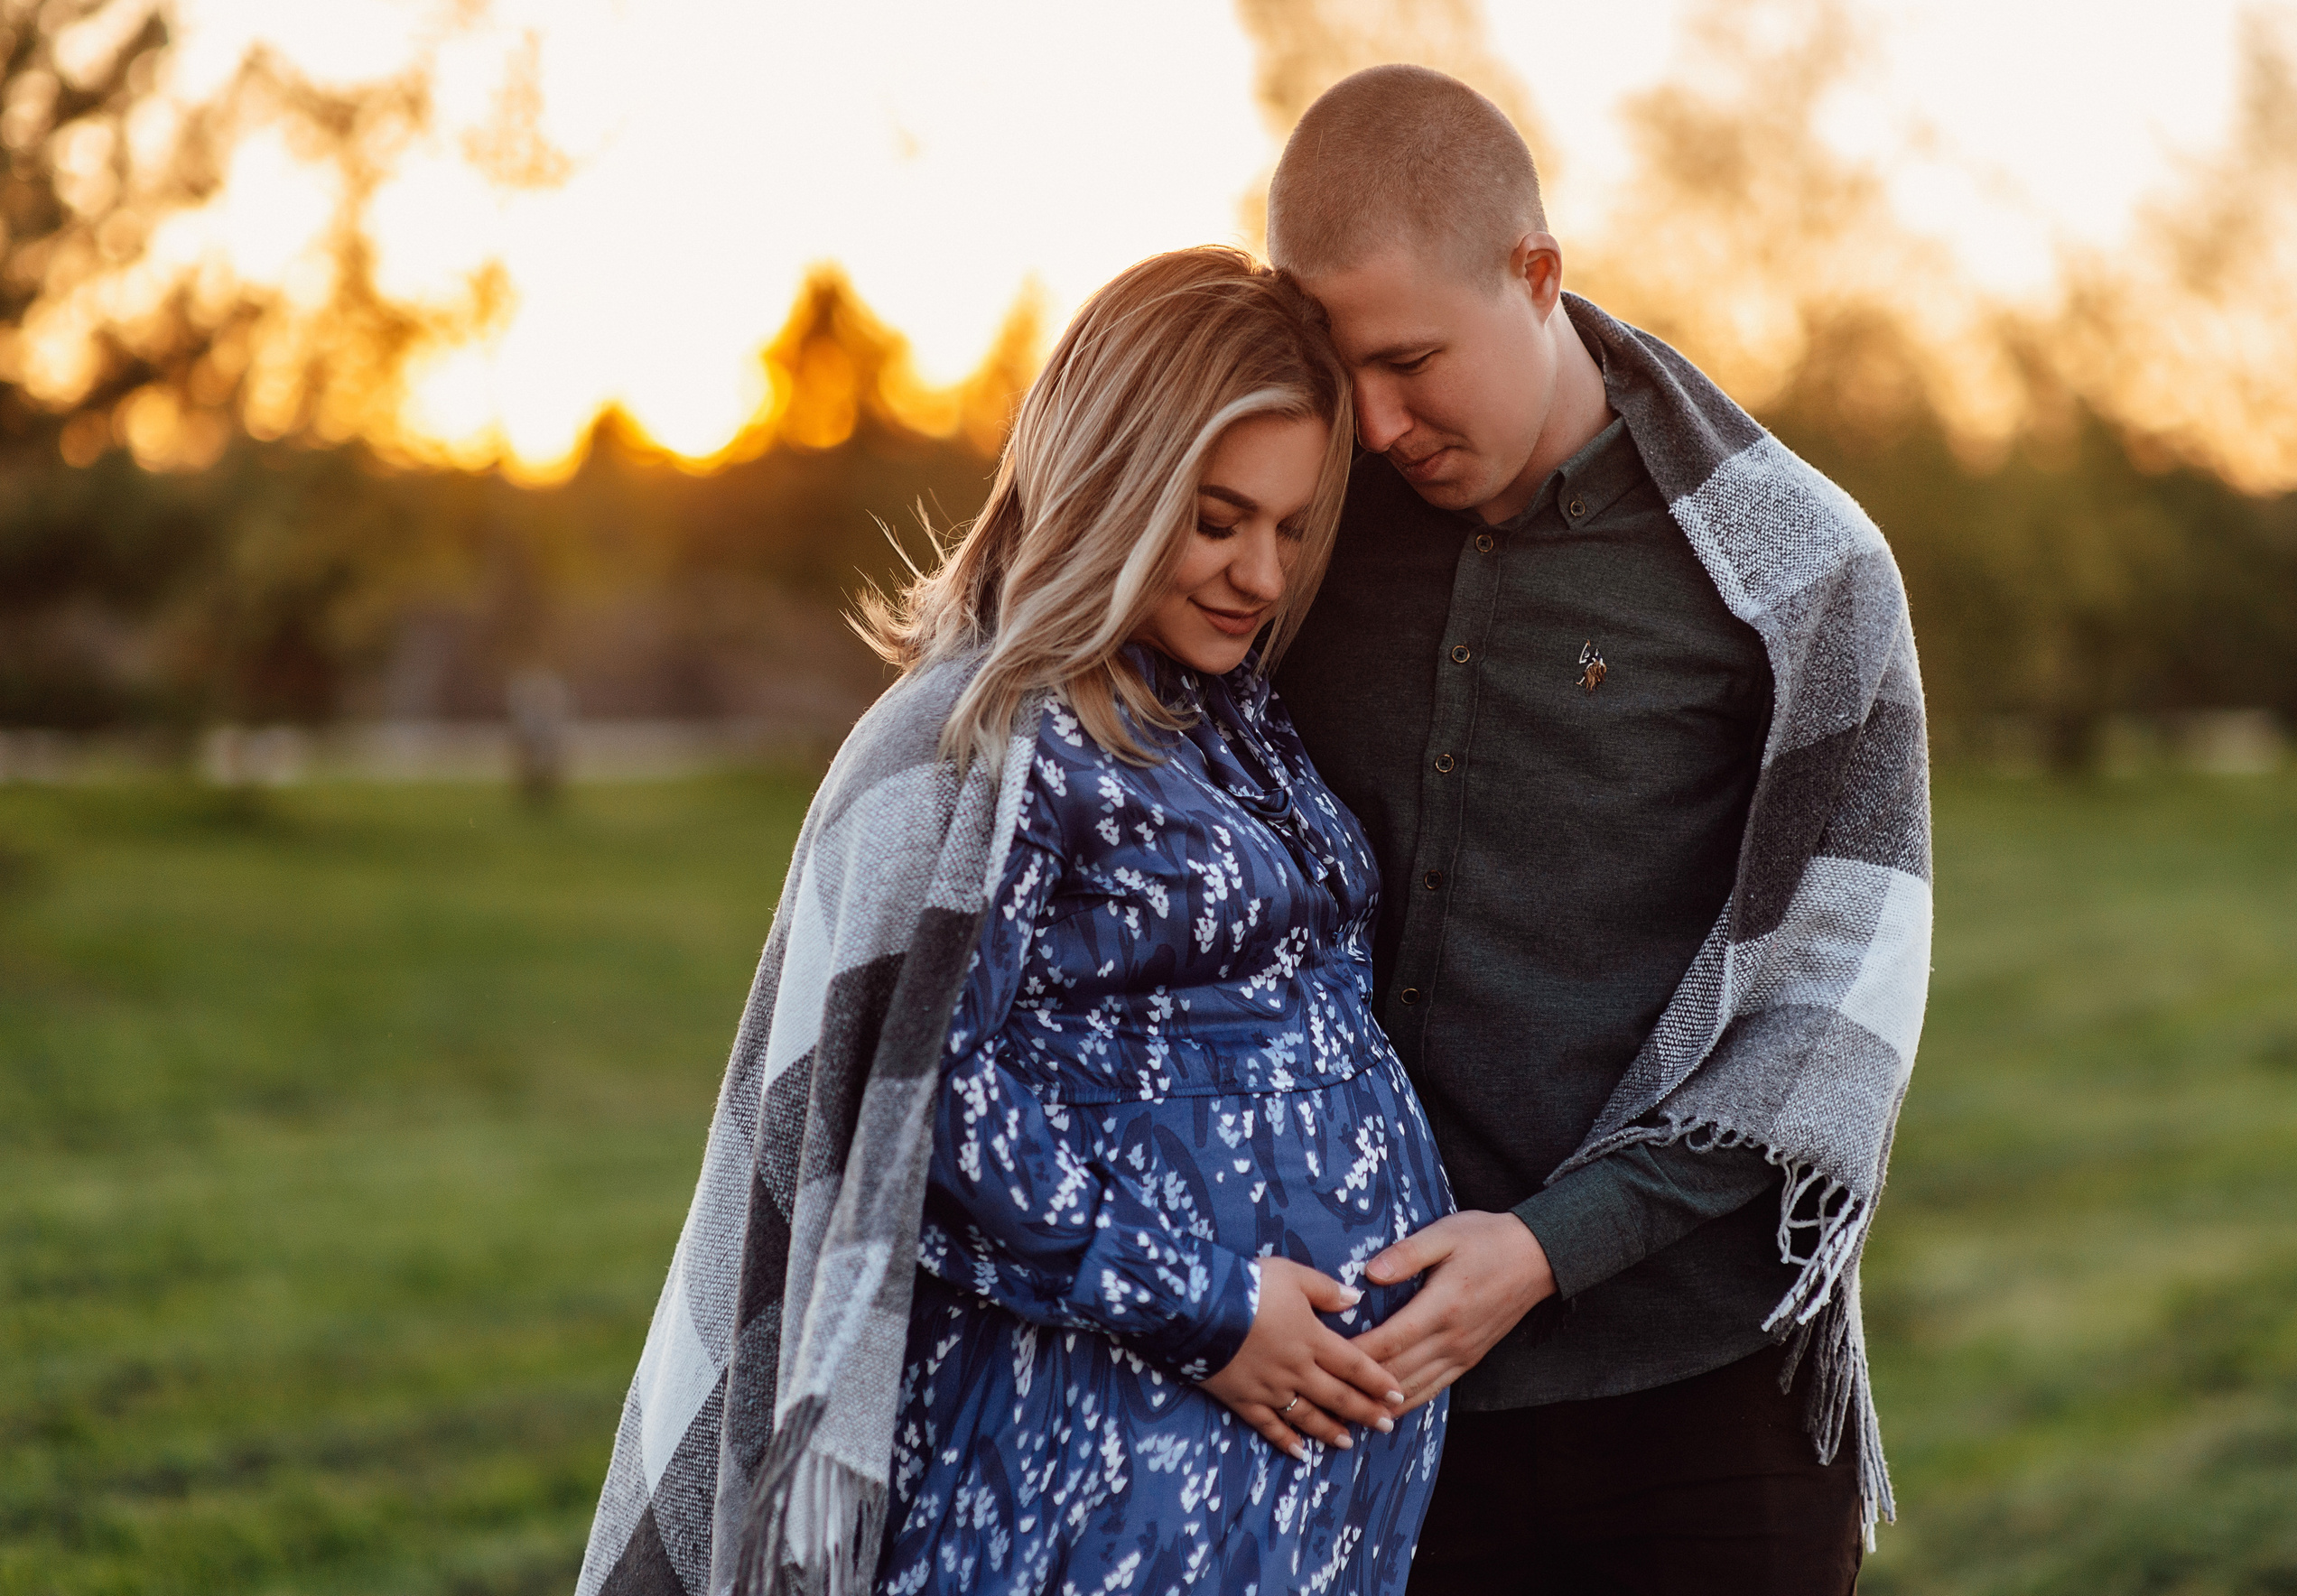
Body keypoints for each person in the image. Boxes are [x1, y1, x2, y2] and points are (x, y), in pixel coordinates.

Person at [575, 246, 1453, 1596]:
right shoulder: (980, 737)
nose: (1262, 575)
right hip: (1088, 1455)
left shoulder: (1224, 712)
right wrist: (1214, 1311)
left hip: (1287, 1489)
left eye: (1290, 526)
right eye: (1218, 519)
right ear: (1109, 480)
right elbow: (920, 1103)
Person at [1264, 66, 1935, 1594]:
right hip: (1370, 1397)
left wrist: (1552, 1243)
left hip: (1699, 1402)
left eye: (1412, 359)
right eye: (1338, 369)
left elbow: (1825, 1013)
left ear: (1538, 274)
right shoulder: (1290, 531)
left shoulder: (1802, 573)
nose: (1373, 422)